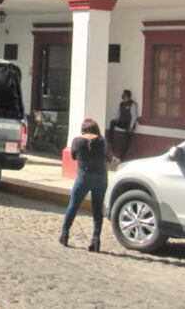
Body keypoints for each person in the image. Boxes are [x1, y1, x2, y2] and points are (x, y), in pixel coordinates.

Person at [59, 118, 110, 252]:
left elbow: (74, 157)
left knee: (73, 204)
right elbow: (108, 157)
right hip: (101, 177)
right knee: (97, 208)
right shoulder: (103, 141)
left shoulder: (77, 141)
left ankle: (64, 234)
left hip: (84, 176)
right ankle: (95, 240)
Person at [107, 89, 138, 161]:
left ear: (127, 96)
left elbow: (134, 117)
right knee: (112, 122)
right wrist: (115, 120)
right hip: (122, 122)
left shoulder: (132, 104)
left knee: (126, 139)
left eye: (123, 94)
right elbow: (118, 114)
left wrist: (131, 127)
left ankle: (122, 157)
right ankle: (110, 142)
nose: (122, 96)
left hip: (129, 124)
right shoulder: (121, 104)